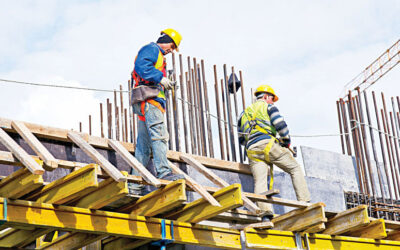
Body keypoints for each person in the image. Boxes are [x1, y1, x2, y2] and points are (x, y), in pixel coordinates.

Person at [238, 85, 311, 221]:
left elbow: (241, 139)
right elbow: (280, 125)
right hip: (268, 144)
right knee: (294, 168)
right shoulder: (268, 107)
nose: (272, 102)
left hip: (252, 150)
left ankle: (265, 214)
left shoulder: (243, 114)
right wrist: (285, 140)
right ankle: (305, 203)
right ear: (265, 97)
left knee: (259, 181)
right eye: (272, 99)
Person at [129, 28, 183, 195]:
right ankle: (164, 172)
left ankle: (134, 185)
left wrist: (165, 82)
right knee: (160, 135)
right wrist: (161, 78)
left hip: (147, 103)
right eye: (172, 46)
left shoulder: (158, 56)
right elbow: (141, 66)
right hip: (150, 102)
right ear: (166, 40)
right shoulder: (152, 49)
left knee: (143, 148)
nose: (171, 50)